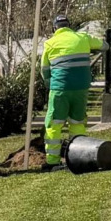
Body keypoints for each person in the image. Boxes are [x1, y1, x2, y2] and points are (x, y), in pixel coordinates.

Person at [40, 15, 103, 170]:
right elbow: (104, 45)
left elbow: (44, 69)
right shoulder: (83, 37)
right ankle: (78, 157)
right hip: (81, 88)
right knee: (77, 122)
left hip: (60, 88)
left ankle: (52, 161)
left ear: (55, 28)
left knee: (54, 124)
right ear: (69, 25)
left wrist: (49, 82)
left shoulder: (50, 43)